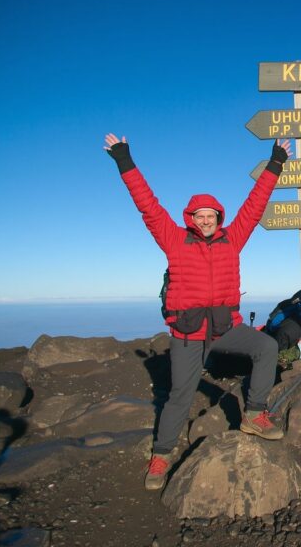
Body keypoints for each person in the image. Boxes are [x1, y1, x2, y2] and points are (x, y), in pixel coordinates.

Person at [103, 133, 290, 490]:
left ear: (219, 217)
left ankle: (254, 414)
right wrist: (123, 160)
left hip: (224, 329)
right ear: (191, 218)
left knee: (265, 348)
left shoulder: (232, 240)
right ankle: (161, 456)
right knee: (180, 396)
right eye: (200, 216)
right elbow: (147, 204)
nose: (206, 221)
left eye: (211, 215)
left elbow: (255, 205)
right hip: (187, 335)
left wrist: (276, 162)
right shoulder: (174, 240)